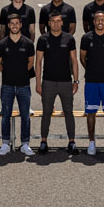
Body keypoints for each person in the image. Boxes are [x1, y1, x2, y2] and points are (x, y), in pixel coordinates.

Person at [35, 11, 79, 155]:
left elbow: (74, 60)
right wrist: (38, 83)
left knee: (68, 112)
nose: (55, 23)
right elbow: (38, 62)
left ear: (62, 23)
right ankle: (43, 141)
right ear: (49, 23)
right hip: (48, 82)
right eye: (53, 21)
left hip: (65, 82)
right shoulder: (43, 39)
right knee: (46, 112)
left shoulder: (69, 38)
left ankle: (71, 142)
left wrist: (76, 81)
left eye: (58, 21)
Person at [79, 10, 104, 156]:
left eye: (103, 20)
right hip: (91, 82)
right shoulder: (86, 38)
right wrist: (92, 70)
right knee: (91, 112)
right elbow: (82, 58)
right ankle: (91, 142)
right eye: (97, 20)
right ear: (93, 22)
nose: (100, 22)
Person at [0, 13, 35, 156]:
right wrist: (8, 73)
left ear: (21, 25)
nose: (14, 26)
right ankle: (5, 143)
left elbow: (31, 62)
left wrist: (21, 73)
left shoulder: (28, 43)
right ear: (8, 26)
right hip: (7, 85)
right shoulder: (2, 44)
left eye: (17, 23)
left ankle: (25, 143)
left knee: (25, 116)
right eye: (12, 24)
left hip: (24, 85)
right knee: (5, 115)